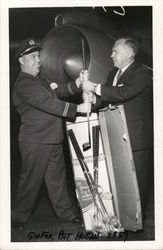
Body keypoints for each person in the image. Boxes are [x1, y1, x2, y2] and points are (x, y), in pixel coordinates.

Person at [11, 38, 91, 230]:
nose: (37, 60)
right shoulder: (24, 84)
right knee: (31, 182)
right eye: (32, 57)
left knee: (57, 181)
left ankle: (66, 215)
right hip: (36, 142)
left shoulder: (40, 81)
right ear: (21, 61)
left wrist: (77, 83)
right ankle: (18, 218)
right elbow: (49, 104)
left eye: (38, 56)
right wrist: (78, 108)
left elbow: (58, 92)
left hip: (52, 139)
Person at [82, 37, 153, 216]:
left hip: (135, 136)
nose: (111, 55)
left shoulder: (142, 73)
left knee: (137, 180)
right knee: (120, 178)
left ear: (129, 53)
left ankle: (138, 218)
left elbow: (123, 93)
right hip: (115, 133)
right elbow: (106, 98)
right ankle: (123, 215)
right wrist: (94, 99)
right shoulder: (113, 74)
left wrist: (95, 87)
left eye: (115, 51)